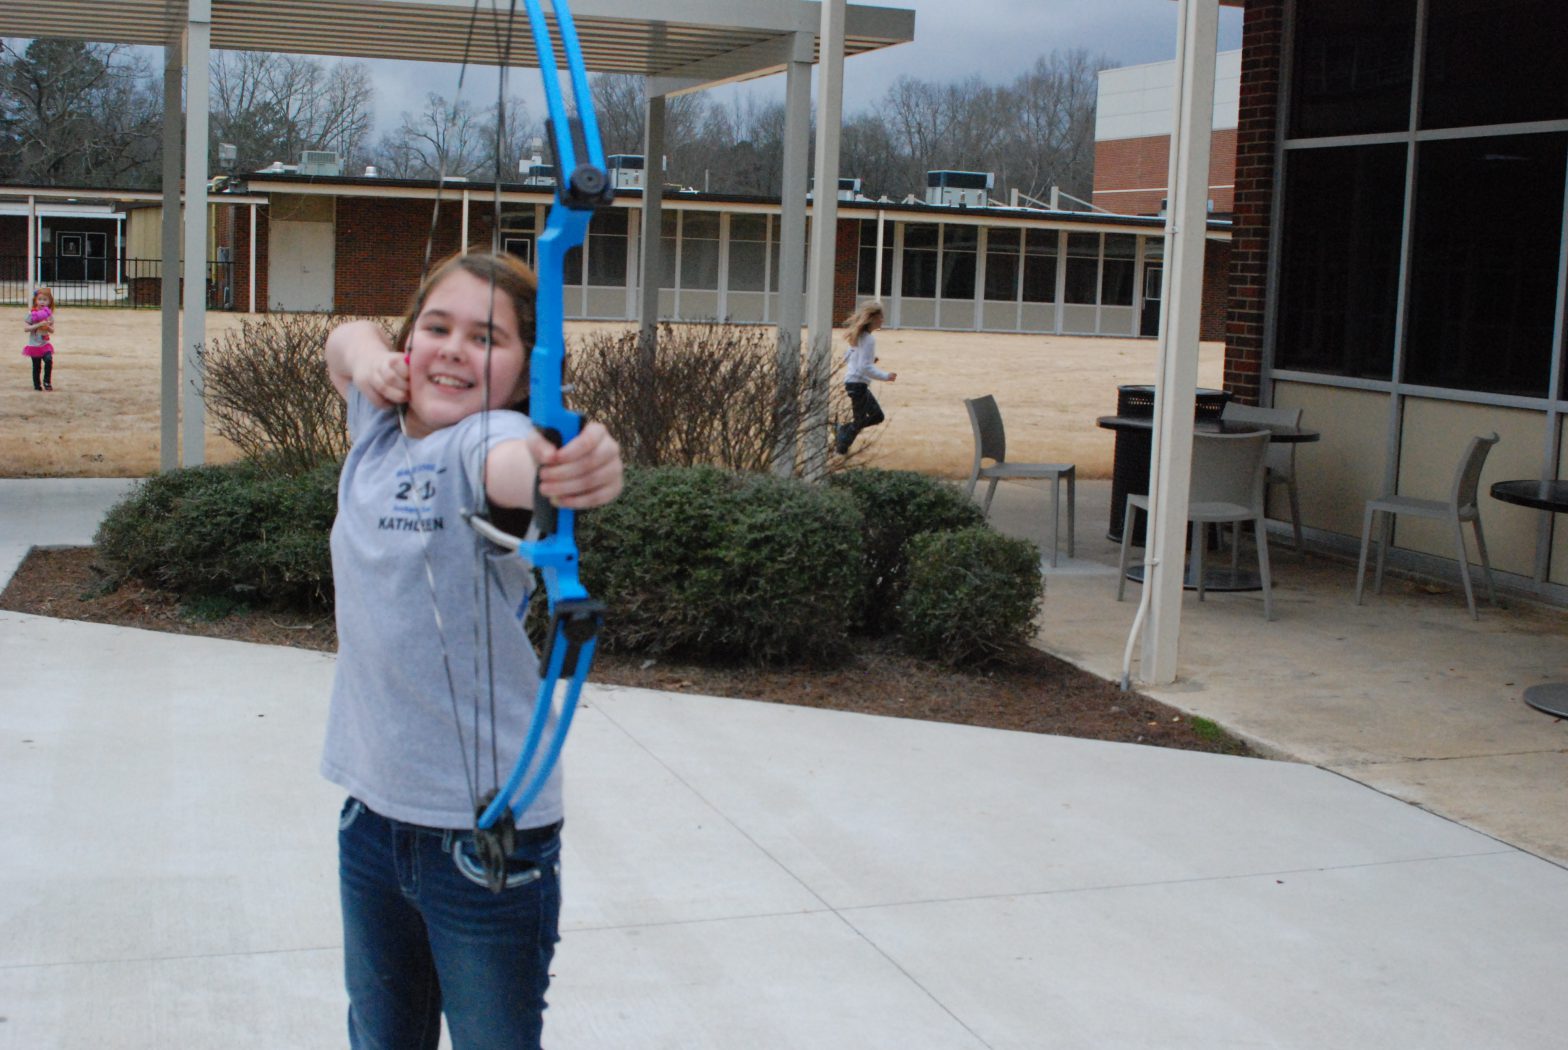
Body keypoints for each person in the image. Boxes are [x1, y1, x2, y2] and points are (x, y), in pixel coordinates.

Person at [322, 251, 624, 1050]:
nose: (454, 348)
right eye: (436, 327)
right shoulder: (377, 430)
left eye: (487, 338)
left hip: (483, 844)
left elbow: (519, 466)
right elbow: (342, 339)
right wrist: (367, 358)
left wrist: (569, 469)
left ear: (529, 375)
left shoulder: (483, 440)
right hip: (370, 817)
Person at [835, 301, 895, 455]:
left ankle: (842, 438)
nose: (882, 320)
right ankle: (842, 439)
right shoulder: (868, 339)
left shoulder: (859, 336)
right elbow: (864, 367)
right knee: (866, 419)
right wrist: (885, 376)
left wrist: (868, 361)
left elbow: (849, 357)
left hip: (853, 383)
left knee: (873, 417)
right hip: (858, 384)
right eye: (880, 317)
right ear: (872, 318)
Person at [23, 286, 55, 391]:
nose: (42, 302)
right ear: (35, 300)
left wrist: (48, 326)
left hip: (44, 344)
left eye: (45, 300)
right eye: (40, 299)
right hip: (34, 345)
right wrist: (38, 325)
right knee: (36, 367)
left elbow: (52, 330)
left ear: (49, 302)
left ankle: (47, 382)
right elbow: (26, 328)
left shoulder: (49, 315)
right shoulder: (31, 314)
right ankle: (37, 385)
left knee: (49, 360)